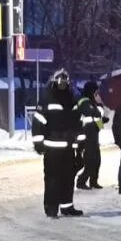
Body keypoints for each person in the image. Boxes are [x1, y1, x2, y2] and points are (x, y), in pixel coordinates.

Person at [31, 69, 84, 218]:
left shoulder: (72, 100)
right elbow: (38, 123)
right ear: (54, 82)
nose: (62, 85)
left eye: (64, 82)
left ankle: (67, 207)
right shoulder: (46, 100)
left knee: (68, 179)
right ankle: (51, 208)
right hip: (51, 149)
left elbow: (77, 124)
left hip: (68, 149)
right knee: (52, 180)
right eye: (60, 82)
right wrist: (38, 143)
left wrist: (79, 147)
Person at [75, 81, 105, 190]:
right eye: (96, 92)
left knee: (97, 160)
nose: (97, 94)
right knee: (90, 160)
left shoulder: (94, 103)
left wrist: (101, 121)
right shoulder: (83, 100)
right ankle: (81, 181)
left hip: (94, 135)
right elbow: (90, 112)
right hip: (85, 136)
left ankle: (94, 181)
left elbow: (99, 121)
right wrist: (98, 111)